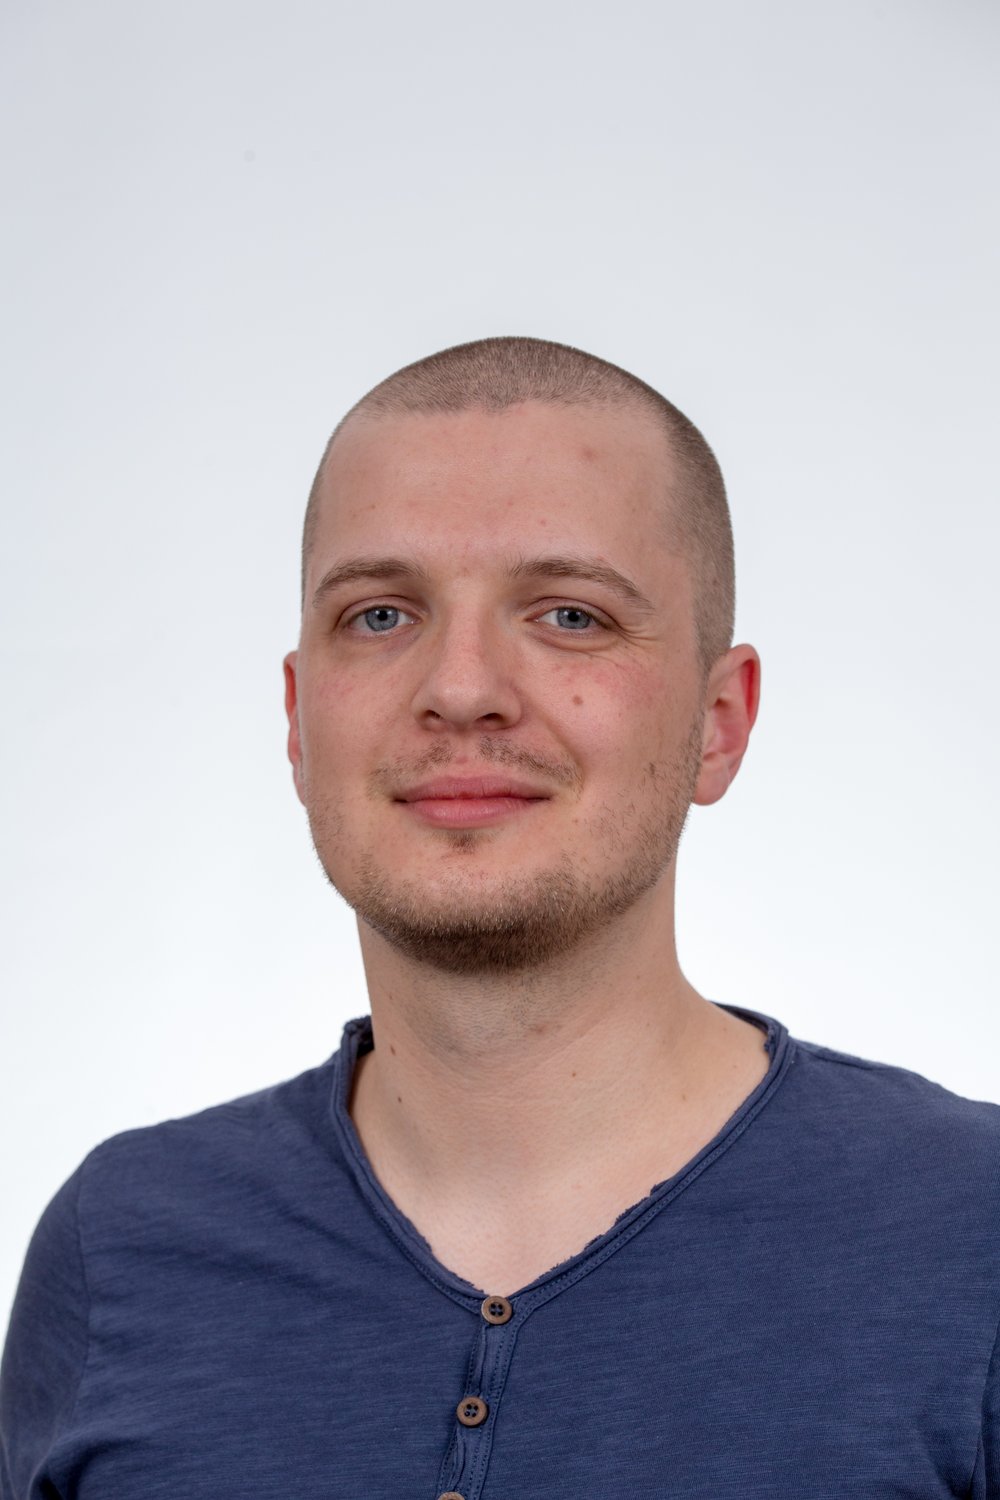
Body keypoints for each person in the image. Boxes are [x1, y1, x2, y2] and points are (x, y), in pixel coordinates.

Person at [1, 336, 997, 1499]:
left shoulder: (969, 1235)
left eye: (569, 614)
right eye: (380, 616)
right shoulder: (120, 1247)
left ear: (718, 722)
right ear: (298, 722)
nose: (461, 688)